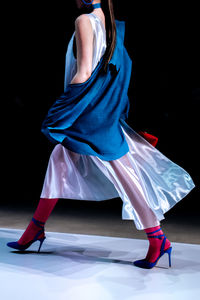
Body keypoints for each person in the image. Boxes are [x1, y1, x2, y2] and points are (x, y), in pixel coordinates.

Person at [7, 0, 195, 269]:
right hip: (100, 111)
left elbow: (84, 72)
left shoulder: (84, 21)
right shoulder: (110, 26)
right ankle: (35, 229)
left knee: (121, 173)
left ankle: (157, 238)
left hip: (88, 113)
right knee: (60, 161)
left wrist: (61, 109)